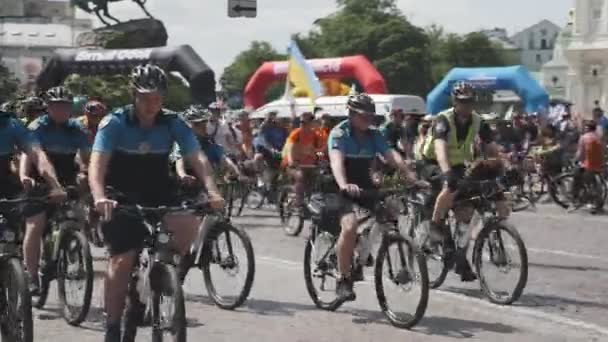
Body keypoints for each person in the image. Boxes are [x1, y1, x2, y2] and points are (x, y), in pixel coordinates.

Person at [88, 64, 223, 342]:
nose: (152, 104)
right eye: (146, 97)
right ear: (133, 94)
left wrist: (212, 191)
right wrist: (100, 196)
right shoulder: (115, 122)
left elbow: (197, 158)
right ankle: (113, 326)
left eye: (158, 98)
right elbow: (97, 166)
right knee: (122, 260)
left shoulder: (173, 121)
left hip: (159, 191)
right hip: (121, 195)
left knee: (188, 223)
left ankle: (161, 274)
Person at [328, 93, 417, 302]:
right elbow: (336, 161)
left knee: (391, 209)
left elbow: (390, 155)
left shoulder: (374, 134)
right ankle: (342, 278)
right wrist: (343, 184)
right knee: (349, 227)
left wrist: (409, 175)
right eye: (363, 116)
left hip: (365, 185)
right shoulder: (339, 134)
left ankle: (362, 254)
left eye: (370, 116)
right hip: (338, 186)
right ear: (351, 114)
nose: (368, 120)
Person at [421, 81, 504, 282]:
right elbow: (440, 149)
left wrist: (505, 166)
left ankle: (460, 258)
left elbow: (492, 148)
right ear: (455, 101)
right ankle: (434, 228)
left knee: (466, 214)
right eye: (462, 101)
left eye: (469, 101)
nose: (466, 105)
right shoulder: (443, 119)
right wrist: (447, 173)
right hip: (433, 163)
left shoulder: (478, 121)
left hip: (458, 165)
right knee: (450, 187)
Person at [19, 86, 90, 294]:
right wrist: (24, 176)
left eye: (65, 106)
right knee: (36, 224)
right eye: (56, 106)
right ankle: (31, 275)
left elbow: (87, 159)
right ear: (48, 108)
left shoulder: (77, 128)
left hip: (66, 177)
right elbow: (30, 156)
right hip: (38, 179)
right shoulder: (37, 126)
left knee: (77, 216)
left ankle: (73, 249)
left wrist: (87, 175)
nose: (61, 110)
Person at [175, 106, 244, 179]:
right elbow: (179, 160)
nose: (203, 125)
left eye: (204, 121)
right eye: (197, 123)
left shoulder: (210, 144)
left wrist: (235, 171)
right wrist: (183, 175)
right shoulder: (182, 143)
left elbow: (223, 159)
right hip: (189, 182)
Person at [282, 111, 324, 207]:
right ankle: (298, 201)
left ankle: (312, 202)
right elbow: (290, 148)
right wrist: (291, 161)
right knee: (300, 176)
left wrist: (321, 159)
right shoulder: (296, 133)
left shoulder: (316, 135)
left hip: (310, 166)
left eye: (305, 122)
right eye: (301, 122)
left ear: (312, 123)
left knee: (319, 179)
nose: (302, 124)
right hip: (293, 165)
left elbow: (319, 151)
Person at [572, 120, 605, 212]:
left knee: (577, 177)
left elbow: (580, 153)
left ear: (587, 128)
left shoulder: (583, 137)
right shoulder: (598, 137)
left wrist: (575, 160)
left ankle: (578, 199)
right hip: (599, 164)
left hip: (588, 165)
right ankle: (598, 201)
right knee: (593, 183)